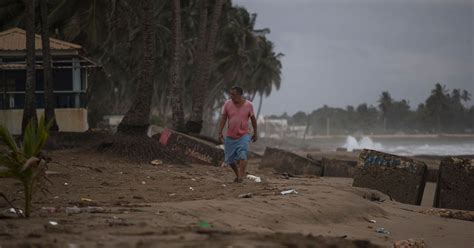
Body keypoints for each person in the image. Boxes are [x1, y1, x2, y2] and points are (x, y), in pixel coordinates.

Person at [218, 86, 258, 183]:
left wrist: (255, 132)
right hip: (230, 136)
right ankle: (238, 175)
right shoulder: (227, 104)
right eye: (230, 94)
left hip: (243, 135)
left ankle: (240, 177)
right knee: (230, 159)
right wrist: (220, 132)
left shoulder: (249, 105)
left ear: (240, 95)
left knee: (242, 155)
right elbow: (224, 118)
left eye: (234, 95)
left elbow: (253, 119)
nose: (231, 96)